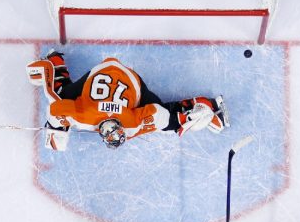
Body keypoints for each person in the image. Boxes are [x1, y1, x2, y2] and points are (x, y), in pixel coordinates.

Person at [26, 51, 230, 150]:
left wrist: (186, 120)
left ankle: (209, 105)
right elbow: (55, 110)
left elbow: (160, 115)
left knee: (166, 118)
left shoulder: (128, 121)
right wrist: (57, 128)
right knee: (59, 95)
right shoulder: (85, 116)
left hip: (130, 80)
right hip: (108, 74)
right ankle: (53, 63)